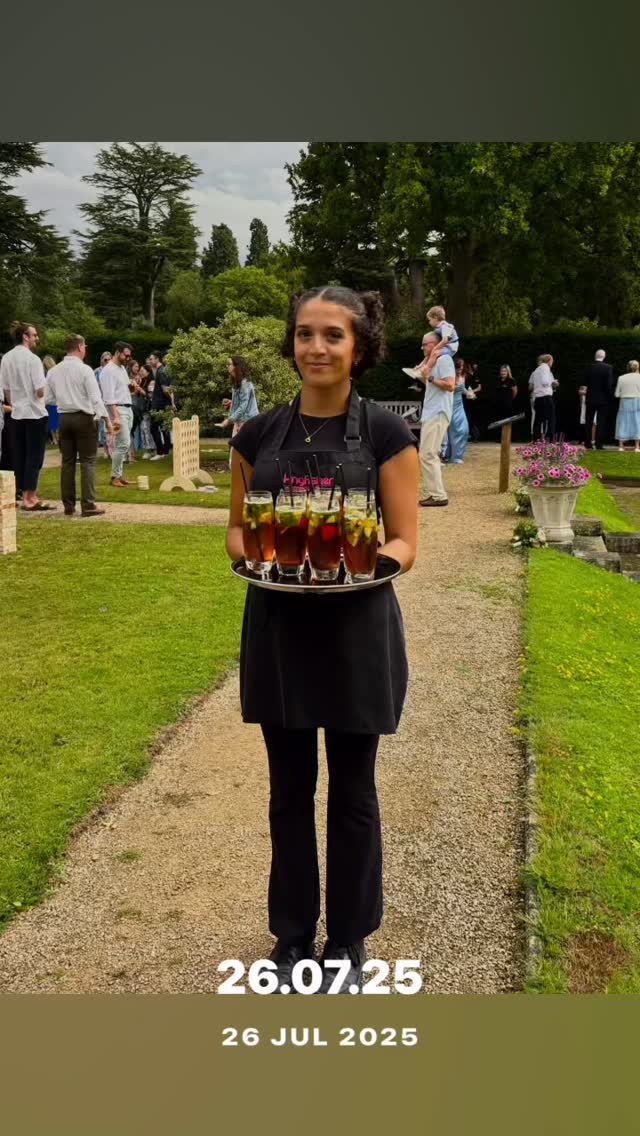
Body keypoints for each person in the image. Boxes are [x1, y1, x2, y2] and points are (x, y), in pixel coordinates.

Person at [226, 285, 419, 993]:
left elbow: (405, 540)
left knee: (354, 790)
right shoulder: (256, 436)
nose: (316, 347)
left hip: (356, 630)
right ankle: (290, 936)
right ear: (292, 343)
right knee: (287, 791)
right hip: (279, 627)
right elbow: (237, 530)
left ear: (359, 347)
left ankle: (348, 940)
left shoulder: (387, 435)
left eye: (333, 335)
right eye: (305, 333)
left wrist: (357, 569)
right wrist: (255, 559)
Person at [44, 334, 112, 516]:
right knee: (88, 461)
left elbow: (47, 398)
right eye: (85, 347)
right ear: (80, 347)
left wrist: (64, 399)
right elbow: (96, 398)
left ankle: (68, 505)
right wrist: (107, 420)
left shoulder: (53, 371)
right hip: (84, 418)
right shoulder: (85, 370)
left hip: (64, 418)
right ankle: (88, 505)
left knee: (67, 462)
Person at [0, 322, 51, 510]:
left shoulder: (6, 358)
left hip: (16, 413)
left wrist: (15, 403)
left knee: (20, 455)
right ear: (25, 337)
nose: (37, 338)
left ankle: (24, 494)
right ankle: (30, 497)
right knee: (34, 456)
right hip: (34, 413)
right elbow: (39, 390)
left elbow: (6, 390)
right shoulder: (33, 359)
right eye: (34, 335)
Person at [416, 331, 455, 506]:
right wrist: (423, 376)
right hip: (432, 412)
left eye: (425, 344)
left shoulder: (445, 360)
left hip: (438, 411)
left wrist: (429, 377)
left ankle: (439, 496)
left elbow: (450, 385)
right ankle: (436, 494)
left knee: (428, 454)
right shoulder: (435, 361)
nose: (422, 347)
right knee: (427, 454)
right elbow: (431, 384)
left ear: (435, 344)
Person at [99, 341, 133, 487]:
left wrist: (133, 387)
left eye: (129, 356)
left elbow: (125, 388)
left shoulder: (122, 368)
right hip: (118, 409)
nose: (128, 358)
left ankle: (118, 475)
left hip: (127, 407)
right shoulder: (108, 371)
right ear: (118, 353)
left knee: (123, 444)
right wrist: (116, 416)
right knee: (123, 443)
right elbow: (108, 397)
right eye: (126, 355)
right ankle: (114, 477)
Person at [218, 356, 260, 467]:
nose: (227, 366)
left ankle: (245, 475)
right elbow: (243, 402)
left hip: (247, 423)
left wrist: (229, 420)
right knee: (236, 453)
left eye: (229, 364)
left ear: (236, 366)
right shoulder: (238, 383)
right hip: (241, 422)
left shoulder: (244, 384)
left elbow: (243, 406)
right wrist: (231, 403)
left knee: (239, 454)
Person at [583, 348, 614, 450]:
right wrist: (609, 397)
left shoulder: (589, 367)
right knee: (601, 422)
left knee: (588, 421)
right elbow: (608, 385)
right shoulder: (608, 368)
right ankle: (599, 444)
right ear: (604, 357)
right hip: (603, 399)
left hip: (590, 398)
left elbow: (585, 383)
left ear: (595, 356)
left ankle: (588, 443)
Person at [148, 350, 175, 460]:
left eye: (151, 359)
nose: (150, 361)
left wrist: (172, 402)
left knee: (154, 428)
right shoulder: (161, 371)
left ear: (157, 359)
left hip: (159, 405)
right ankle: (165, 452)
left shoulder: (161, 371)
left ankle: (160, 452)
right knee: (164, 428)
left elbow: (166, 389)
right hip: (161, 404)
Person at [444, 357, 470, 464]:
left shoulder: (463, 376)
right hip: (451, 405)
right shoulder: (450, 377)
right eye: (458, 367)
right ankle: (452, 456)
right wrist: (455, 387)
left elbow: (463, 389)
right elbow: (447, 390)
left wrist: (469, 393)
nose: (460, 370)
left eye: (462, 367)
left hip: (460, 405)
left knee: (464, 429)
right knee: (454, 430)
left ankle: (457, 455)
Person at [529, 353, 558, 440]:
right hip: (546, 397)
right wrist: (553, 382)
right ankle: (551, 440)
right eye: (552, 361)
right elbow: (545, 382)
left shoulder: (536, 370)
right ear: (549, 361)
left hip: (538, 398)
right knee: (551, 419)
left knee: (538, 420)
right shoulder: (546, 368)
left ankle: (536, 440)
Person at [614, 360, 640, 453]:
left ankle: (621, 446)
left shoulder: (621, 378)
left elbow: (617, 394)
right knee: (637, 422)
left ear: (628, 367)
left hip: (624, 402)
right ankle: (637, 446)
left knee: (623, 422)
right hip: (637, 401)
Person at [43, 355, 59, 444]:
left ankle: (55, 439)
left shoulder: (49, 374)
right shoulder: (57, 372)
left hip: (50, 401)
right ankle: (56, 439)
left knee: (53, 422)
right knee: (55, 422)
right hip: (54, 401)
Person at [464, 361, 482, 442]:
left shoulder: (476, 375)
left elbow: (479, 387)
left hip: (474, 399)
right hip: (466, 399)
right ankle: (469, 435)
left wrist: (472, 392)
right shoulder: (465, 375)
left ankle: (476, 436)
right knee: (467, 417)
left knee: (474, 418)